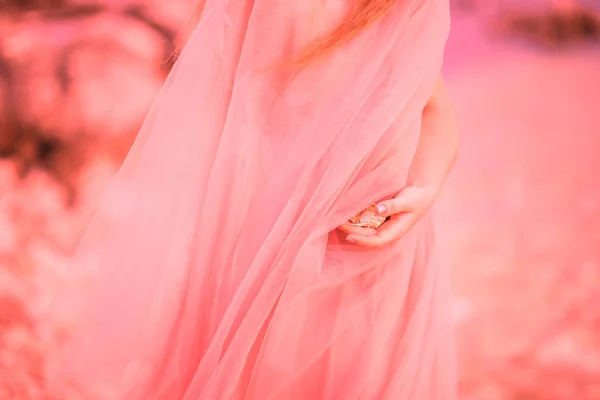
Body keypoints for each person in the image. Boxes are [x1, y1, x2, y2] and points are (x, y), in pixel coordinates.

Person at [49, 0, 459, 398]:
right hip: (275, 244)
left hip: (381, 253)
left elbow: (436, 110)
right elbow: (234, 128)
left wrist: (421, 190)